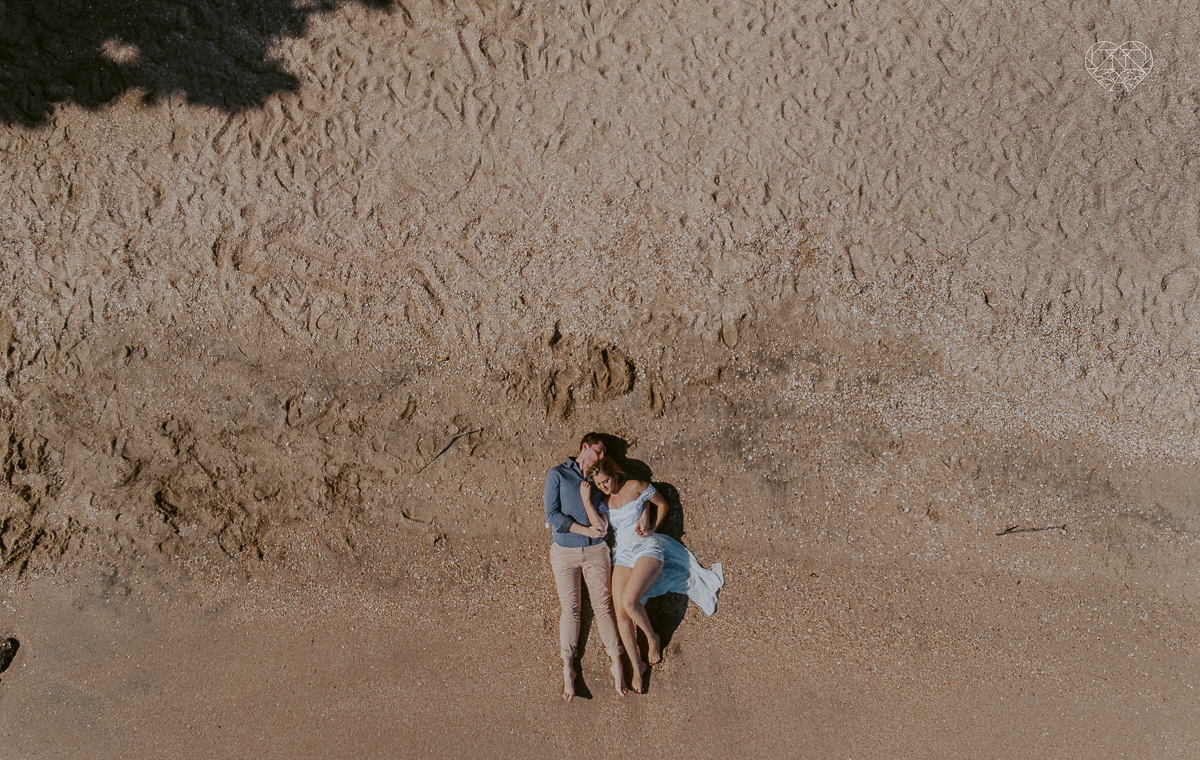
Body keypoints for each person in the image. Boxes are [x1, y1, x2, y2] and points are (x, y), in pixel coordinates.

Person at [581, 456, 724, 694]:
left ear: (614, 473)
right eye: (598, 484)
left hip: (647, 546)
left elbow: (663, 504)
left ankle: (652, 637)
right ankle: (637, 666)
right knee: (620, 613)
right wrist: (588, 500)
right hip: (622, 555)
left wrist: (651, 526)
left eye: (605, 481)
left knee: (629, 601)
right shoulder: (604, 501)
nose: (603, 487)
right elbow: (600, 528)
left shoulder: (637, 486)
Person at [543, 433, 625, 700]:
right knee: (571, 608)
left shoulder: (598, 479)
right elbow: (552, 515)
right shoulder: (557, 474)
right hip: (564, 551)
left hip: (596, 552)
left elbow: (604, 521)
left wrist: (594, 524)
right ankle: (568, 667)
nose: (602, 457)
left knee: (603, 606)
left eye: (604, 454)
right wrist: (586, 530)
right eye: (599, 451)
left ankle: (617, 661)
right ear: (585, 447)